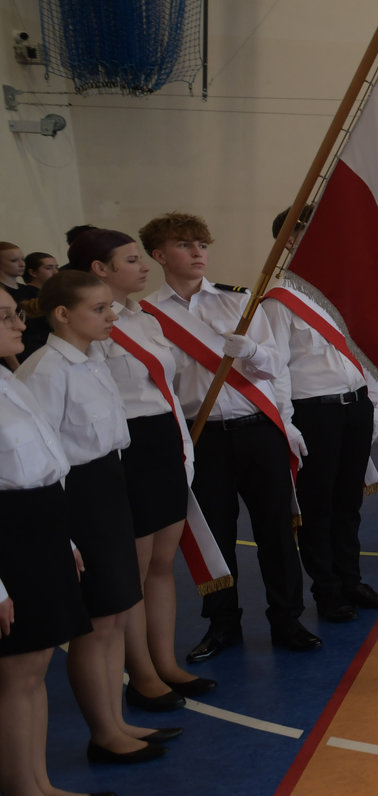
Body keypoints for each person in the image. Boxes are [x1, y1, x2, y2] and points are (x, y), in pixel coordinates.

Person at [140, 212, 315, 661]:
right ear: (159, 255)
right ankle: (222, 625)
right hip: (203, 437)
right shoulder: (147, 316)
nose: (198, 252)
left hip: (257, 430)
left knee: (276, 530)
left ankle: (287, 618)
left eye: (202, 244)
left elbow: (275, 365)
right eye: (184, 244)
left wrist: (252, 351)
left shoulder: (238, 301)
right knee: (214, 535)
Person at [16, 272, 165, 765]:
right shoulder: (46, 371)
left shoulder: (92, 358)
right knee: (98, 619)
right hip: (77, 497)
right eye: (99, 309)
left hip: (108, 486)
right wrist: (65, 532)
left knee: (118, 612)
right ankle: (103, 733)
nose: (111, 316)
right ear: (63, 314)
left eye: (109, 307)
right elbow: (47, 456)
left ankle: (117, 721)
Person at [70, 227, 218, 706]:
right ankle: (142, 674)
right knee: (131, 570)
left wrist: (182, 448)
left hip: (162, 443)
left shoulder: (144, 318)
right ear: (100, 269)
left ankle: (165, 662)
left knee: (161, 565)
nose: (143, 267)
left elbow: (166, 389)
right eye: (131, 259)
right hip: (126, 449)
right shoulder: (91, 329)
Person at [263, 209, 378, 625]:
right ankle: (327, 592)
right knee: (317, 507)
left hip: (354, 405)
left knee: (348, 504)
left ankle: (351, 581)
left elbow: (362, 353)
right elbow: (276, 369)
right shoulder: (279, 301)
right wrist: (287, 423)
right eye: (307, 233)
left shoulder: (341, 289)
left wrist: (372, 404)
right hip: (313, 413)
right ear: (289, 241)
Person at [0, 294, 100, 796]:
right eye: (5, 317)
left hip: (39, 528)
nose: (20, 323)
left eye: (16, 313)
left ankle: (38, 784)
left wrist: (63, 539)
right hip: (9, 537)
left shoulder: (8, 379)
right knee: (15, 673)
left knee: (35, 667)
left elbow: (45, 464)